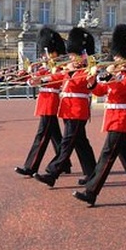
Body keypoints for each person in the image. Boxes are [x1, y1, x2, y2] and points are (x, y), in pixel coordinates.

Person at [72, 24, 126, 206]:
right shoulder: (118, 75)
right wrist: (92, 83)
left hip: (122, 119)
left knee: (107, 155)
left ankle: (91, 191)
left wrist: (110, 77)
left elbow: (121, 90)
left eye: (118, 56)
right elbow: (101, 92)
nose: (114, 59)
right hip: (114, 117)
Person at [33, 27, 97, 188]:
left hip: (78, 111)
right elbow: (56, 77)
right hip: (68, 110)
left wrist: (70, 72)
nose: (71, 58)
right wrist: (40, 80)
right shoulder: (72, 69)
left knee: (67, 143)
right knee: (81, 143)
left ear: (83, 55)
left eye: (74, 55)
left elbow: (80, 84)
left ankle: (52, 173)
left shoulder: (86, 70)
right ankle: (92, 174)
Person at [14, 27, 67, 177]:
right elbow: (34, 79)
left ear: (56, 52)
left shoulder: (60, 67)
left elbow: (57, 78)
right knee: (54, 135)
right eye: (45, 53)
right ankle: (65, 163)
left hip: (51, 102)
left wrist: (40, 78)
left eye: (48, 52)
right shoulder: (47, 67)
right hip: (45, 101)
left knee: (42, 135)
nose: (45, 56)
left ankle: (31, 166)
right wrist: (27, 74)